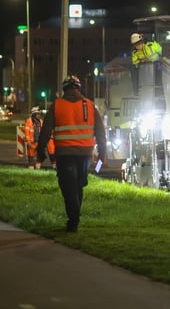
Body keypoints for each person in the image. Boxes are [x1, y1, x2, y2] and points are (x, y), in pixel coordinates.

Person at [37, 75, 107, 232]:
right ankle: (75, 219)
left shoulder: (57, 105)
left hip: (65, 153)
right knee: (78, 186)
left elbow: (45, 131)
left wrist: (40, 151)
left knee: (68, 187)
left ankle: (73, 220)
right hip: (85, 154)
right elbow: (100, 132)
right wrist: (102, 153)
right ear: (78, 88)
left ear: (64, 89)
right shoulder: (90, 105)